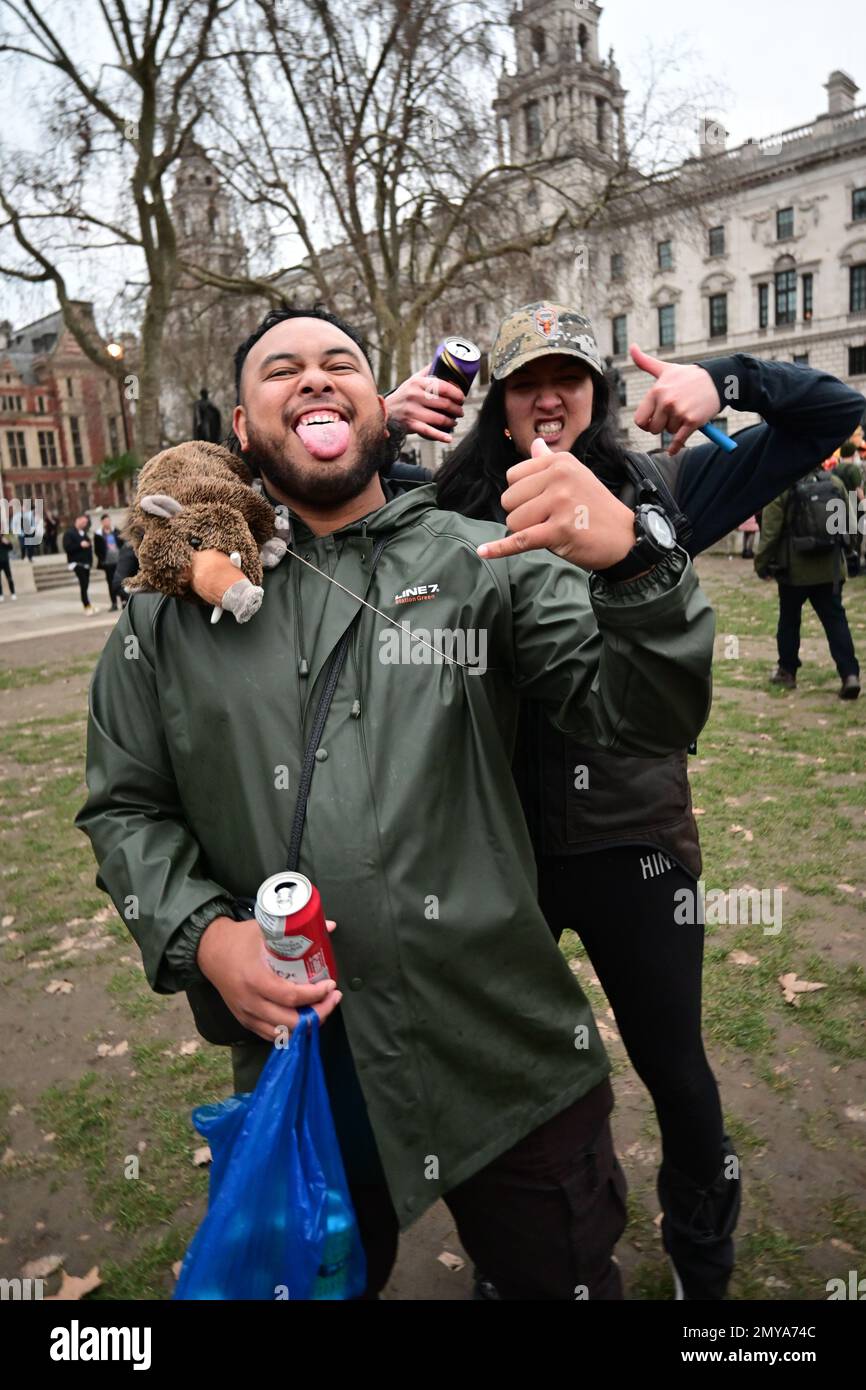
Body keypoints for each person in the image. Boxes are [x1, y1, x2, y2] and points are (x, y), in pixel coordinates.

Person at [76, 305, 716, 1302]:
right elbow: (122, 807)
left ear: (382, 410)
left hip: (505, 1056)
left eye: (341, 363)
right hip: (307, 1077)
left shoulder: (485, 556)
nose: (315, 379)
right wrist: (203, 936)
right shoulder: (168, 617)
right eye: (280, 370)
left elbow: (642, 715)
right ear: (242, 432)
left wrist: (634, 564)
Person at [388, 300, 865, 1299]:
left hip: (631, 836)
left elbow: (828, 414)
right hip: (498, 845)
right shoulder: (445, 512)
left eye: (568, 377)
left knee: (672, 1063)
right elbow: (300, 496)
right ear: (499, 407)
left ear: (600, 395)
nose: (548, 395)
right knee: (507, 1075)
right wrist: (384, 426)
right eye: (524, 381)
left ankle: (701, 1247)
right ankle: (521, 1252)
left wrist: (727, 377)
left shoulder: (664, 485)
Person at [755, 469, 860, 699]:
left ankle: (787, 672)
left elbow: (770, 531)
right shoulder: (835, 483)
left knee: (789, 620)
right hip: (831, 568)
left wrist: (761, 563)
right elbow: (852, 525)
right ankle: (850, 674)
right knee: (835, 620)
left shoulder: (783, 485)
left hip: (794, 570)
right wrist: (849, 552)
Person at [63, 515, 97, 614]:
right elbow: (67, 548)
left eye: (86, 522)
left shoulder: (84, 534)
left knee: (85, 585)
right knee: (84, 583)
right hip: (76, 563)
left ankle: (88, 604)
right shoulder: (69, 533)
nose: (84, 524)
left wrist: (90, 562)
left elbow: (89, 548)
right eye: (83, 522)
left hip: (86, 563)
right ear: (77, 520)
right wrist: (80, 545)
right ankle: (86, 606)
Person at [93, 514, 121, 611]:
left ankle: (124, 601)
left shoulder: (116, 531)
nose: (107, 523)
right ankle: (114, 603)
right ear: (102, 522)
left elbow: (122, 544)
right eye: (105, 521)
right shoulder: (98, 535)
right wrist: (102, 560)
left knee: (121, 581)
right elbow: (97, 550)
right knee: (110, 583)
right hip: (108, 563)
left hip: (119, 561)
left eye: (108, 521)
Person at [0, 531, 16, 601]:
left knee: (9, 578)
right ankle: (1, 595)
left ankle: (13, 593)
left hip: (6, 562)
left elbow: (11, 548)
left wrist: (8, 543)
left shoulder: (4, 539)